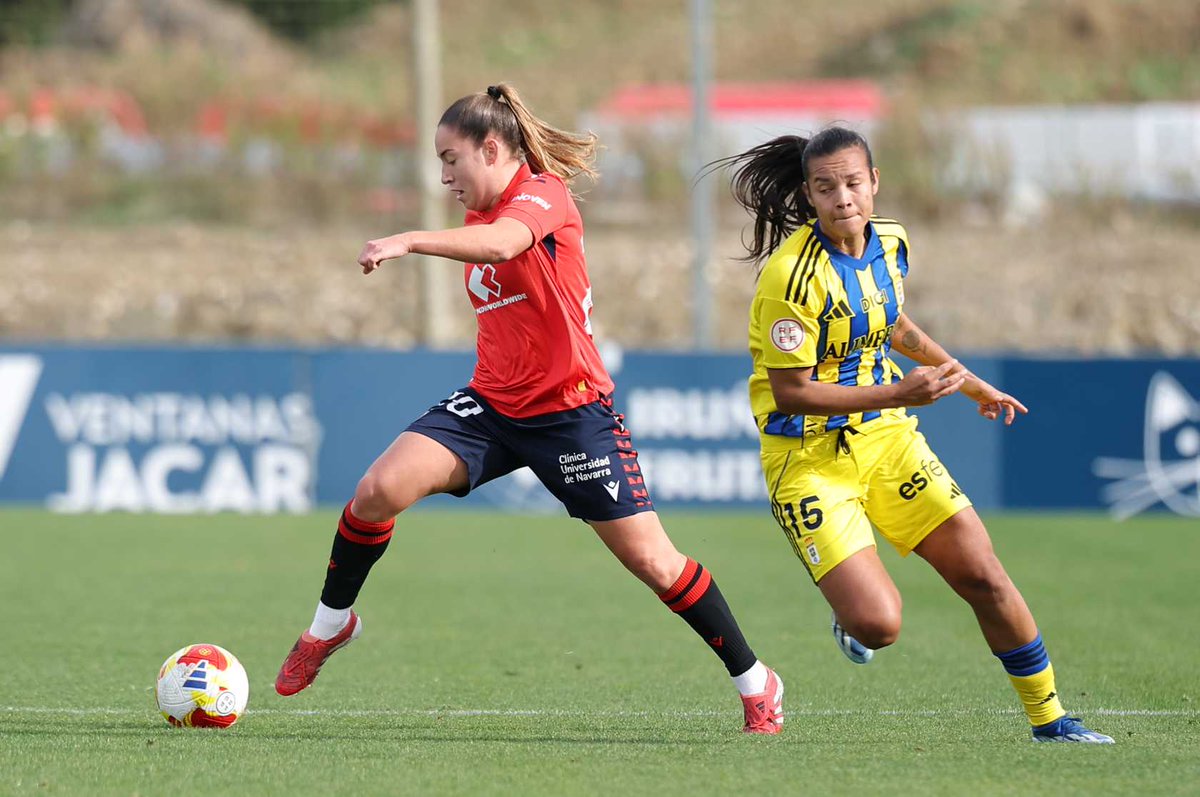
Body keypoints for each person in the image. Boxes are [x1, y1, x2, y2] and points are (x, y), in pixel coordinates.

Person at [274, 84, 783, 734]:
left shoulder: (542, 196)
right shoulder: (477, 212)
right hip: (491, 405)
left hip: (573, 414)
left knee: (655, 562)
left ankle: (756, 679)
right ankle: (330, 625)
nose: (444, 175)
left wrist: (406, 239)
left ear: (492, 147)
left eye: (450, 158)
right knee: (377, 489)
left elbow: (503, 247)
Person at [711, 126, 1112, 743]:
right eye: (825, 188)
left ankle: (1051, 719)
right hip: (809, 458)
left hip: (888, 439)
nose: (843, 197)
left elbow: (893, 324)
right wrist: (903, 391)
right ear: (810, 196)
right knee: (880, 626)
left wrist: (970, 383)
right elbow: (791, 391)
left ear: (874, 181)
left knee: (983, 574)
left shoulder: (892, 241)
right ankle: (852, 618)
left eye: (852, 182)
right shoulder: (790, 279)